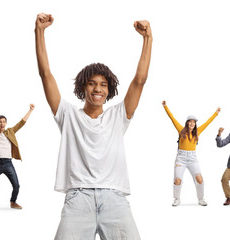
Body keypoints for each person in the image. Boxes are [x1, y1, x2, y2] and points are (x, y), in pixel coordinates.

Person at [35, 12, 152, 239]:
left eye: (103, 85)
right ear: (83, 87)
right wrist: (39, 32)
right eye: (91, 83)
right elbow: (45, 75)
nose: (97, 89)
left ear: (109, 91)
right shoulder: (68, 115)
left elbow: (140, 80)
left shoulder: (118, 116)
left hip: (114, 199)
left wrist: (148, 39)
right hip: (79, 199)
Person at [162, 100, 219, 206]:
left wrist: (216, 113)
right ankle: (176, 199)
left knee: (199, 179)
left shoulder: (198, 132)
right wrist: (165, 106)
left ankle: (201, 199)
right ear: (187, 123)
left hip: (193, 158)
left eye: (194, 122)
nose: (192, 123)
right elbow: (172, 118)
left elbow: (207, 122)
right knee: (177, 180)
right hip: (181, 158)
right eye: (190, 121)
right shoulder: (181, 130)